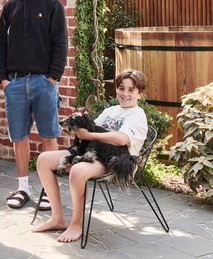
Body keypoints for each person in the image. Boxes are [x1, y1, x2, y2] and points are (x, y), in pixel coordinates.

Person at [33, 69, 148, 242]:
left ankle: (76, 224)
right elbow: (91, 128)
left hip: (115, 160)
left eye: (131, 90)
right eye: (121, 88)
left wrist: (89, 136)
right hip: (92, 152)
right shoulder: (111, 110)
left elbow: (121, 139)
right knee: (43, 160)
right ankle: (58, 218)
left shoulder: (137, 115)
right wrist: (77, 125)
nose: (125, 93)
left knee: (78, 171)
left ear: (140, 93)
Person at [0, 0, 68, 210]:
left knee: (49, 135)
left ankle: (49, 190)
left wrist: (53, 78)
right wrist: (3, 78)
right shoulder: (10, 7)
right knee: (19, 136)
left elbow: (61, 43)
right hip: (14, 83)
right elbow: (1, 45)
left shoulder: (52, 5)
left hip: (43, 83)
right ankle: (23, 187)